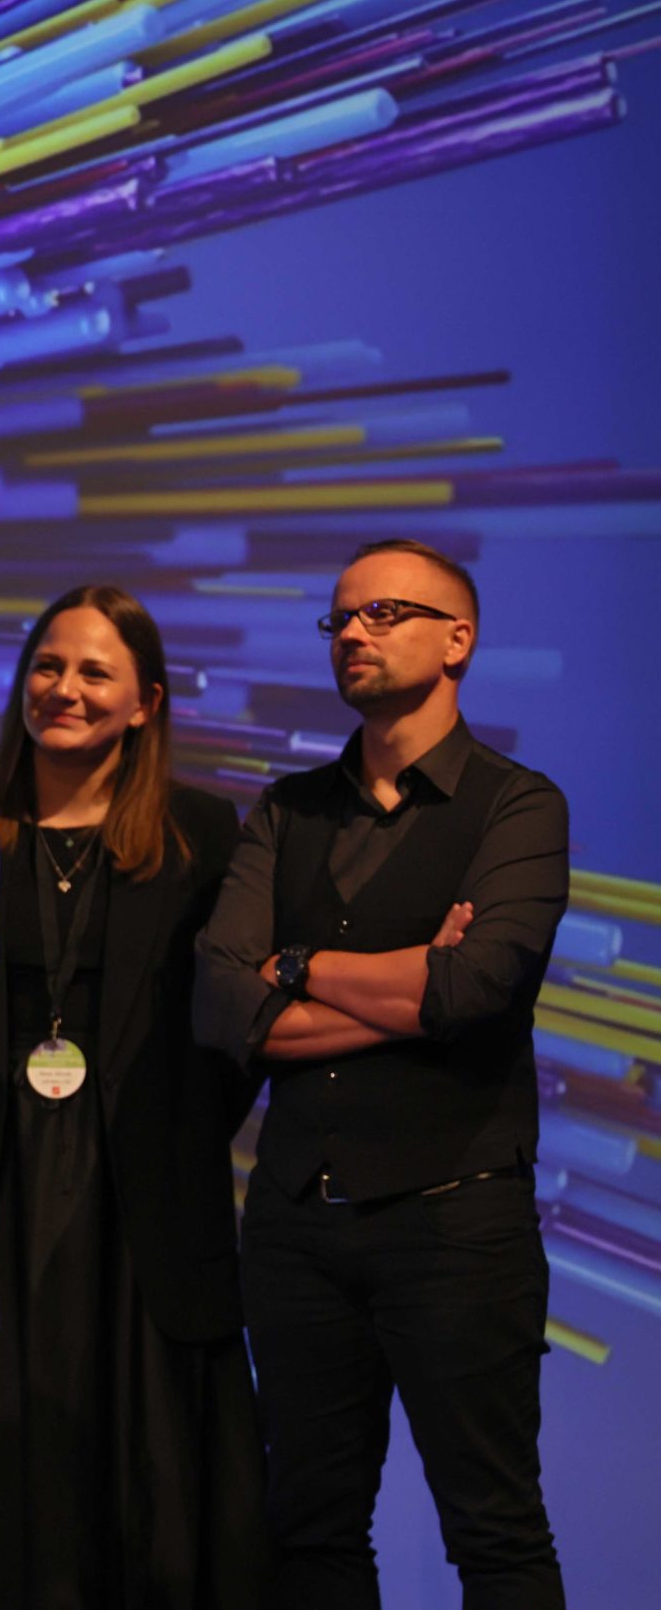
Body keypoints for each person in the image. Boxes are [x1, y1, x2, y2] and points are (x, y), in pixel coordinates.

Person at [195, 539, 569, 1608]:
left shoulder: (516, 806)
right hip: (297, 1225)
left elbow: (475, 987)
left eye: (385, 613)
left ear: (459, 640)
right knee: (310, 1530)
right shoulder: (289, 810)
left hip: (457, 1220)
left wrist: (296, 966)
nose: (353, 632)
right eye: (342, 618)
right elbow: (222, 1007)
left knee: (494, 1530)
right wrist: (407, 984)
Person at [0, 586, 262, 1610]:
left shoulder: (201, 833)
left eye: (93, 672)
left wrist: (176, 1128)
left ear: (145, 703)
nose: (63, 689)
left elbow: (232, 1025)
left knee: (147, 1493)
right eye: (47, 665)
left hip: (143, 1200)